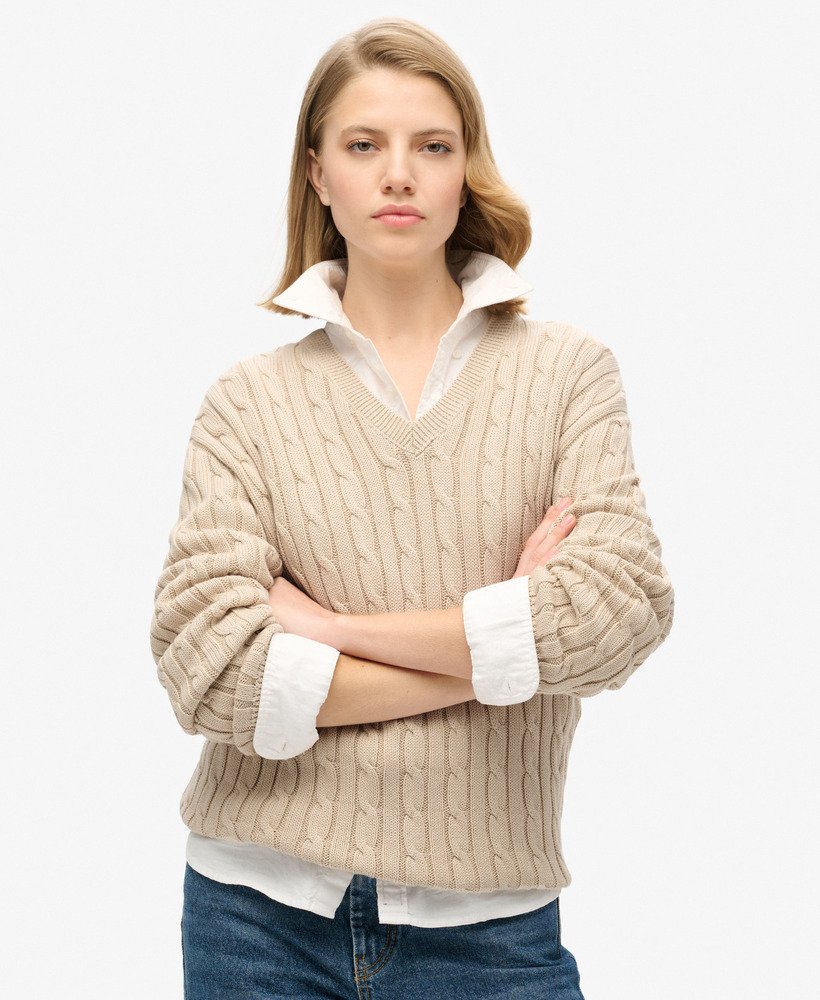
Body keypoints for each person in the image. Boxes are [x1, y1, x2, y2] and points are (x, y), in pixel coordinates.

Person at [149, 16, 675, 999]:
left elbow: (616, 617)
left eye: (432, 146)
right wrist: (503, 648)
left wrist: (329, 630)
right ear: (318, 174)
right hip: (256, 916)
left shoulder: (566, 376)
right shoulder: (247, 403)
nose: (398, 175)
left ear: (466, 170)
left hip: (492, 930)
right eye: (363, 145)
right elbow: (209, 672)